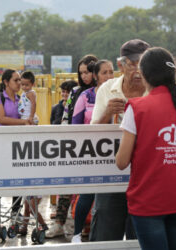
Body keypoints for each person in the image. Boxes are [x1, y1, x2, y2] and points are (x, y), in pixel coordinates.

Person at [116, 47, 176, 250]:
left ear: (143, 74)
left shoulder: (137, 107)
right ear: (173, 72)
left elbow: (121, 162)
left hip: (148, 202)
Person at [89, 39, 150, 242]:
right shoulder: (107, 90)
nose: (138, 69)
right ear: (121, 65)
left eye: (143, 63)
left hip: (146, 176)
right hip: (110, 173)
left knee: (141, 238)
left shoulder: (156, 90)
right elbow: (92, 134)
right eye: (133, 63)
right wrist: (107, 113)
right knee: (105, 234)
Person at [46, 55, 98, 239]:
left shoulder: (102, 91)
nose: (84, 76)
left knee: (90, 189)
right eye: (81, 72)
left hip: (95, 148)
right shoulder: (75, 92)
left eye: (88, 72)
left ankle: (87, 226)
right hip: (73, 144)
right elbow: (66, 117)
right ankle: (59, 224)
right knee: (66, 184)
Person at [71, 60, 114, 243]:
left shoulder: (119, 94)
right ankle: (76, 234)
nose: (109, 76)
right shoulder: (86, 97)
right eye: (104, 72)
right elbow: (75, 126)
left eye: (111, 72)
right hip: (90, 152)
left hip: (114, 154)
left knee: (111, 199)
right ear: (96, 76)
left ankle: (106, 238)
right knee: (87, 194)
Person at [0, 69, 30, 226]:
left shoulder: (21, 98)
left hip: (17, 144)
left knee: (18, 177)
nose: (19, 83)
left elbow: (27, 115)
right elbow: (1, 119)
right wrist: (24, 122)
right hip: (0, 144)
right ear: (6, 82)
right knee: (1, 178)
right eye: (16, 80)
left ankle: (15, 211)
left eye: (20, 80)